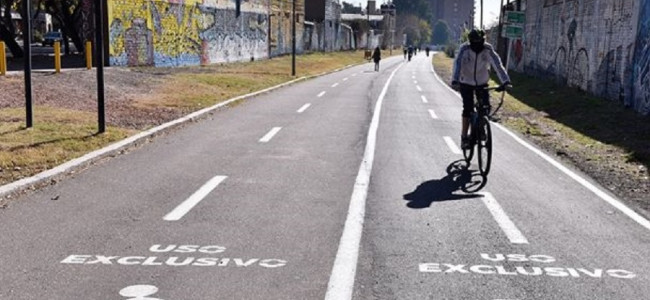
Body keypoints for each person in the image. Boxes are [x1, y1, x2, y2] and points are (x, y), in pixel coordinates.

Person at [451, 29, 511, 149]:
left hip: (482, 82)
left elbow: (497, 65)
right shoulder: (465, 49)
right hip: (465, 82)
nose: (478, 44)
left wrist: (505, 81)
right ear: (470, 41)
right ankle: (464, 137)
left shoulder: (488, 49)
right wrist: (455, 80)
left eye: (480, 41)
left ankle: (482, 127)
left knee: (486, 107)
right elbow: (457, 64)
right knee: (467, 109)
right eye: (475, 42)